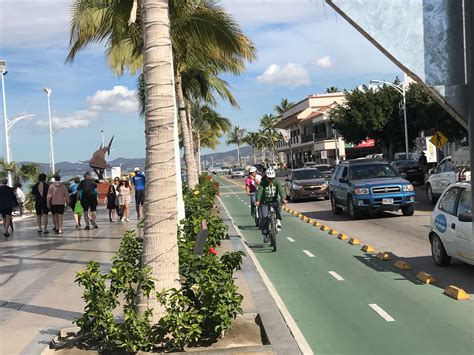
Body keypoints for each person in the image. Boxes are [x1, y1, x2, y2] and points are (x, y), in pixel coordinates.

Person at [256, 168, 287, 243]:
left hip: (274, 201)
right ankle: (265, 234)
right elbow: (260, 191)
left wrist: (283, 198)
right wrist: (258, 200)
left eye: (272, 178)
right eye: (269, 178)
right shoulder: (263, 182)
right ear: (266, 177)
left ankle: (278, 220)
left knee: (278, 208)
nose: (270, 180)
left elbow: (280, 190)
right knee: (264, 217)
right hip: (264, 202)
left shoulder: (276, 181)